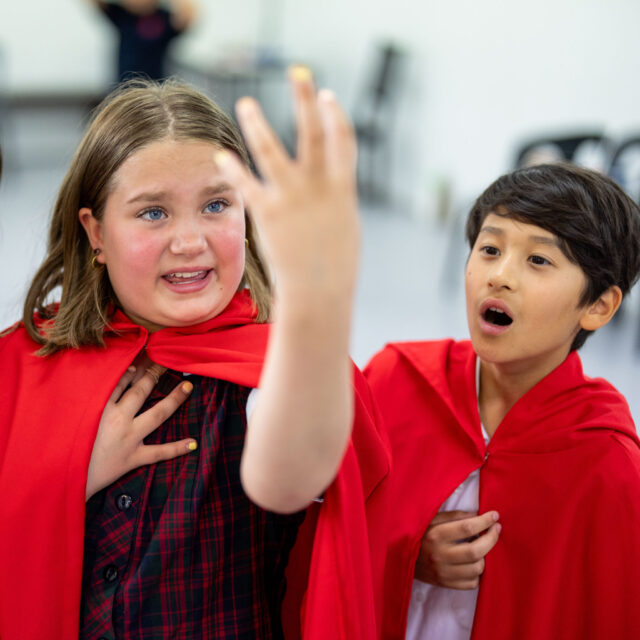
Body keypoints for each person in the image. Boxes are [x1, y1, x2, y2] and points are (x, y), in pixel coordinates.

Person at [0, 73, 390, 639]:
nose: (190, 241)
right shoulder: (23, 363)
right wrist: (72, 476)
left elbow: (291, 476)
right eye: (153, 213)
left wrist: (315, 299)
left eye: (215, 205)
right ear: (96, 233)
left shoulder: (280, 371)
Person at [364, 163, 640, 639]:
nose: (500, 276)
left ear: (598, 306)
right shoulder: (395, 381)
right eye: (489, 249)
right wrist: (409, 555)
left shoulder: (607, 464)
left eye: (538, 261)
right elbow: (324, 540)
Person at [89, 0, 197, 83]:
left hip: (156, 89)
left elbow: (187, 15)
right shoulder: (122, 15)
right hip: (123, 88)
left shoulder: (163, 18)